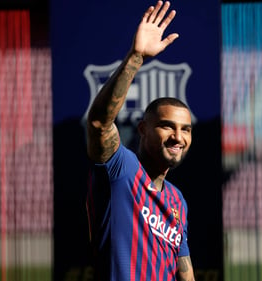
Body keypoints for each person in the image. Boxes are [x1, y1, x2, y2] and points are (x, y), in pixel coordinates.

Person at [85, 1, 195, 280]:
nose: (178, 137)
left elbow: (184, 270)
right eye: (167, 126)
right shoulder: (122, 169)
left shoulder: (177, 200)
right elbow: (99, 123)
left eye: (186, 129)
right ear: (143, 129)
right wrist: (136, 58)